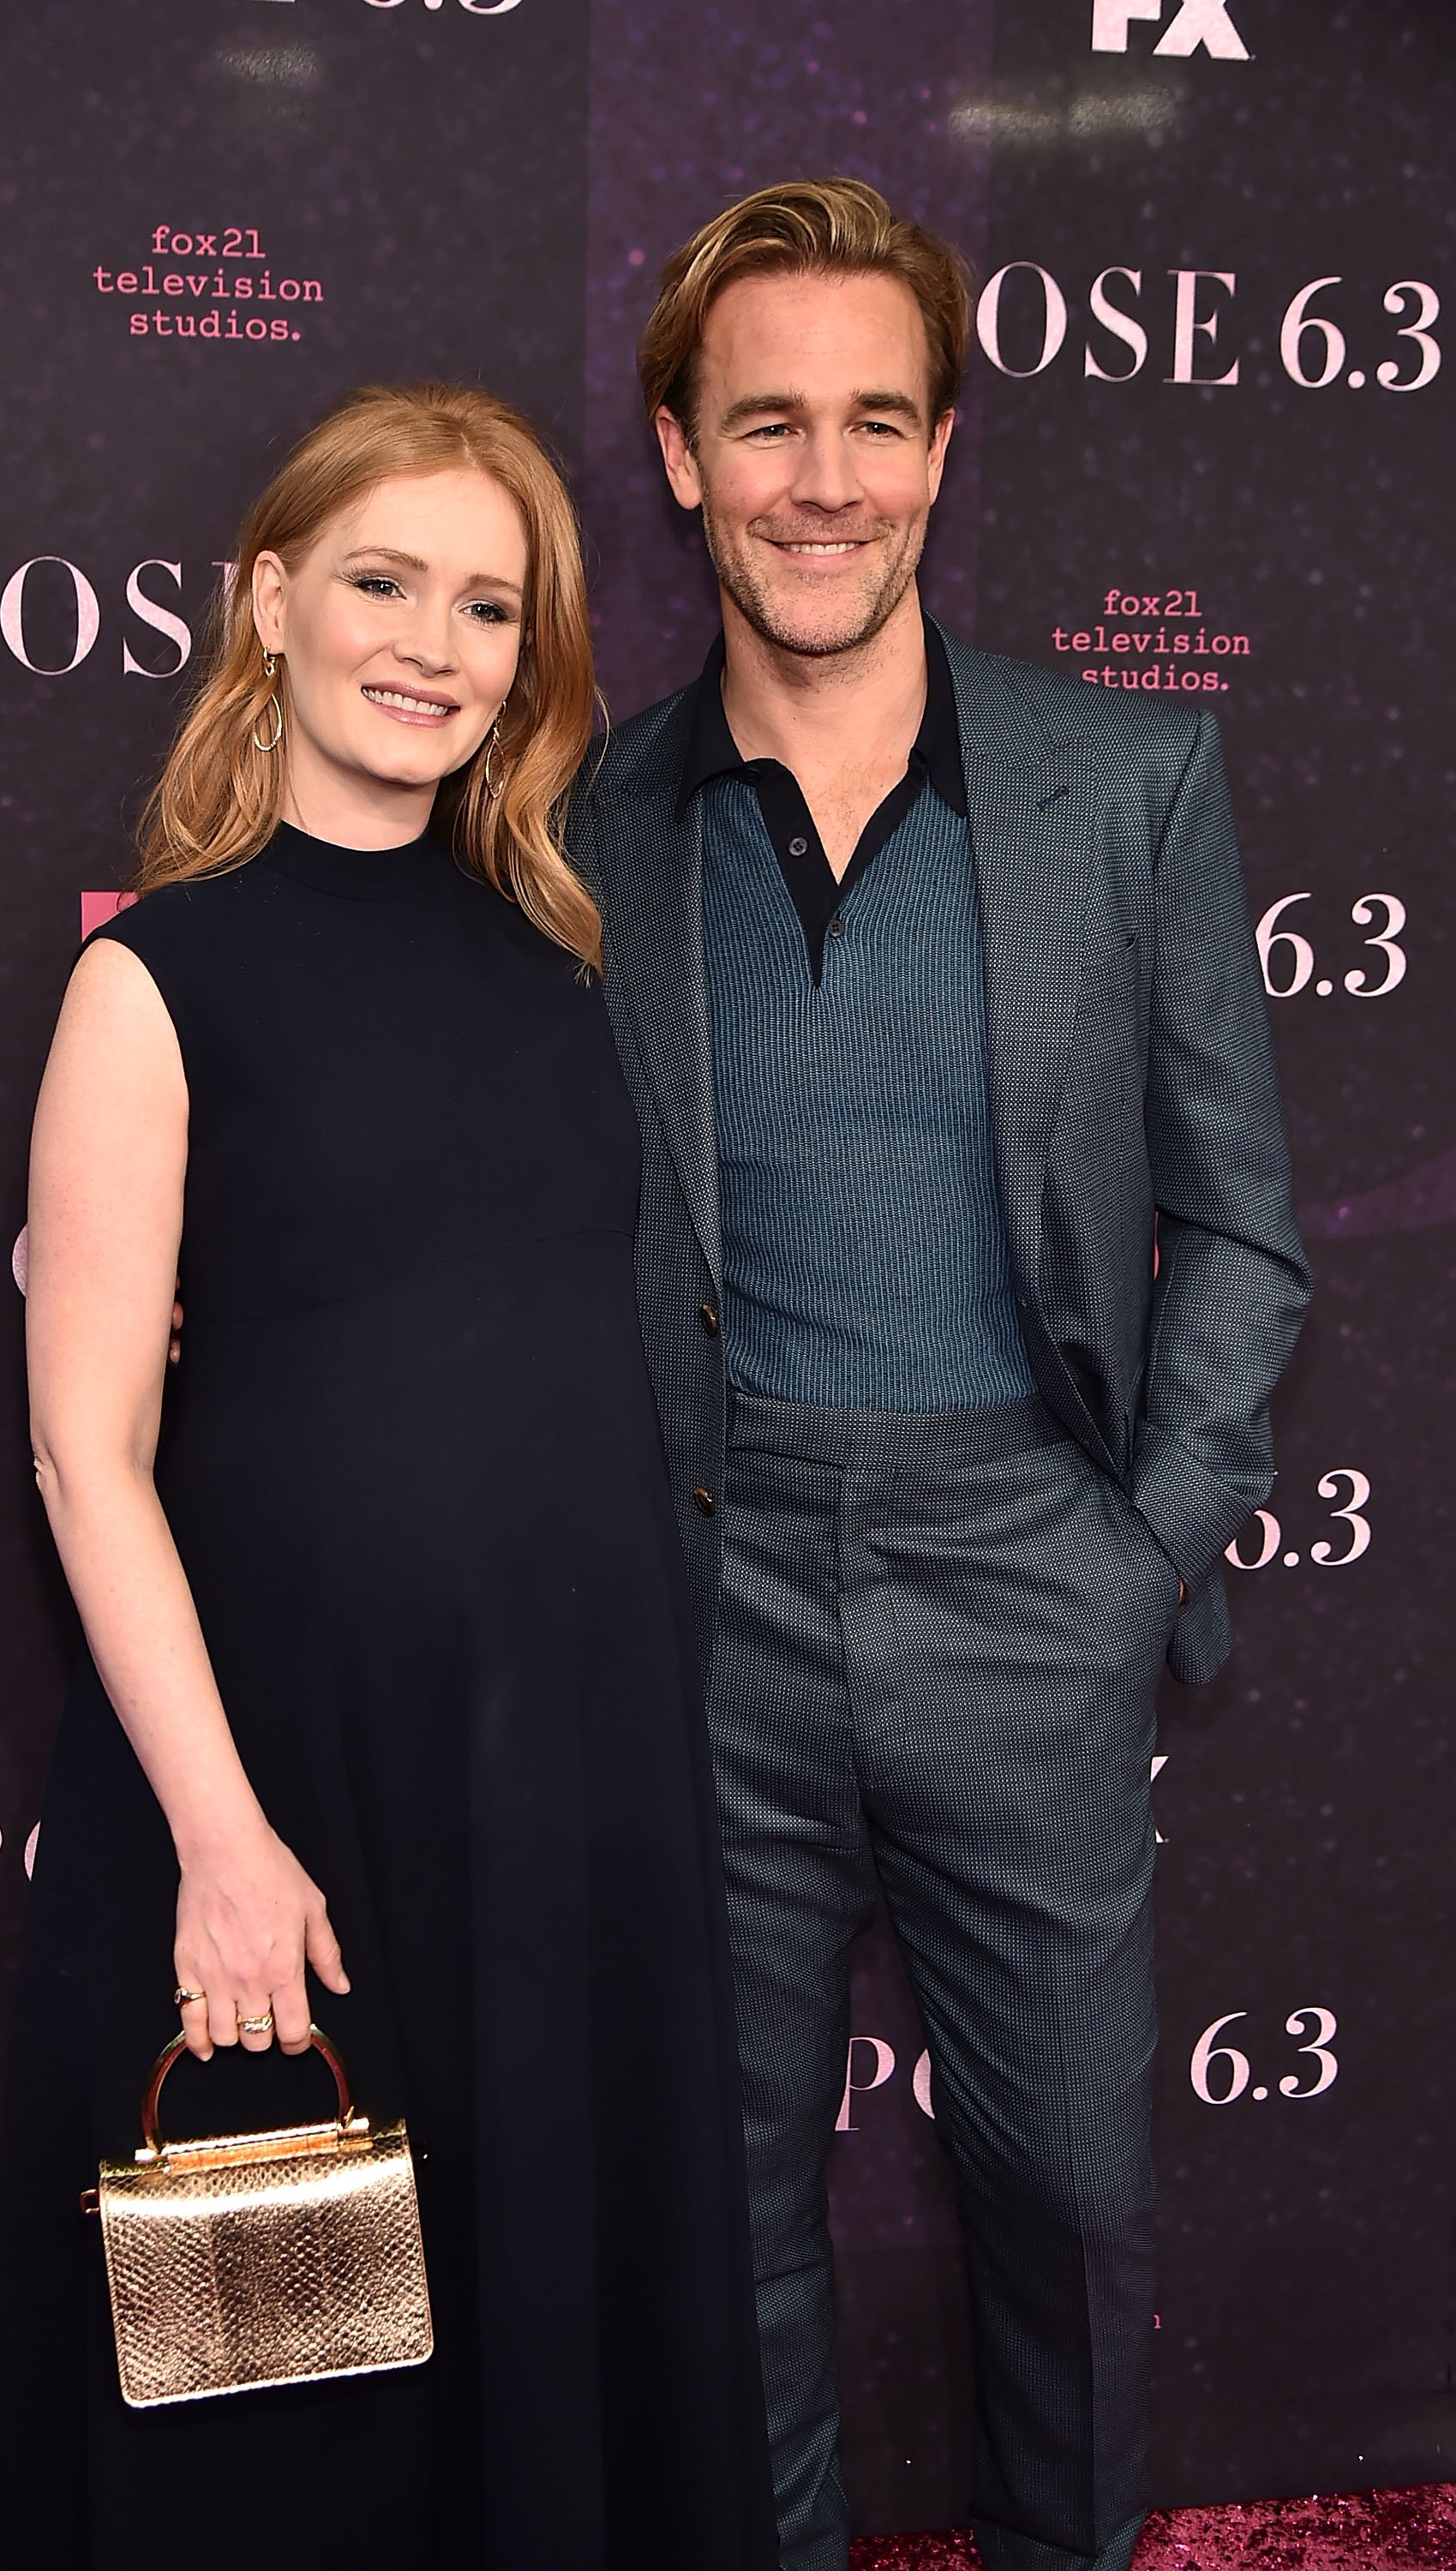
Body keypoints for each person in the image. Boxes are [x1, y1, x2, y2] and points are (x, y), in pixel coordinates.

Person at [565, 180, 1311, 2571]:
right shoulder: (575, 826)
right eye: (763, 421)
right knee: (725, 2231)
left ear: (943, 447)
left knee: (1076, 2208)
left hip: (1026, 1571)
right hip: (709, 1599)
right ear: (676, 453)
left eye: (874, 419)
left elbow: (1246, 1233)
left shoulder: (1125, 783)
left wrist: (1126, 1563)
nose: (823, 476)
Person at [0, 382, 776, 2571]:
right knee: (297, 2391)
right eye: (382, 580)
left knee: (550, 2333)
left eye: (489, 605)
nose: (433, 642)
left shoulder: (562, 967)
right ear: (270, 604)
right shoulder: (153, 981)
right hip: (289, 1796)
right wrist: (223, 1846)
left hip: (570, 1789)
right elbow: (82, 1446)